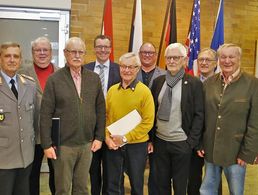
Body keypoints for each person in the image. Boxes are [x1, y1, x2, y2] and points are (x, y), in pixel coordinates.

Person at [40, 37, 106, 195]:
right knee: (62, 188)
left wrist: (99, 137)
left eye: (80, 52)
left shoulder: (94, 78)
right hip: (63, 146)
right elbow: (45, 113)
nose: (77, 55)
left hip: (86, 144)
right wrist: (47, 144)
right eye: (73, 51)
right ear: (65, 53)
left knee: (82, 188)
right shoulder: (54, 80)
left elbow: (101, 109)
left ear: (85, 54)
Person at [199, 43, 258, 195]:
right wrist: (200, 143)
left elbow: (255, 122)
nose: (227, 61)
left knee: (236, 191)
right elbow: (202, 117)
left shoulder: (253, 84)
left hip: (236, 152)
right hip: (210, 148)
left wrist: (247, 153)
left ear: (239, 59)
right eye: (223, 57)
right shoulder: (209, 83)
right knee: (207, 190)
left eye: (231, 57)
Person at [151, 43, 204, 195]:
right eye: (169, 57)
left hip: (182, 143)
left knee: (181, 185)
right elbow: (153, 111)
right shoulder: (159, 81)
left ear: (184, 60)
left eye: (176, 57)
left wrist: (190, 143)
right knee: (161, 184)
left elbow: (199, 115)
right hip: (160, 142)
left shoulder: (194, 84)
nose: (172, 61)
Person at [104, 52, 155, 195]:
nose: (127, 70)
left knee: (136, 185)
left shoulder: (145, 92)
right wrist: (106, 137)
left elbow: (148, 122)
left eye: (131, 67)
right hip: (113, 145)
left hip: (136, 147)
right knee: (113, 185)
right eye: (124, 66)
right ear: (119, 68)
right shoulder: (112, 90)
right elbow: (106, 117)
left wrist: (125, 138)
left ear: (137, 69)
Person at [18, 36, 57, 195]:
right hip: (31, 134)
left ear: (51, 52)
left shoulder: (62, 72)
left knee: (56, 175)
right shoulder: (21, 73)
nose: (41, 53)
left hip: (55, 134)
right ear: (32, 52)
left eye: (45, 50)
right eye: (37, 50)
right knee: (31, 175)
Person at [84, 35, 120, 195]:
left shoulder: (119, 70)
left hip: (113, 128)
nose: (103, 50)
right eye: (99, 46)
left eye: (106, 47)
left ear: (111, 49)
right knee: (93, 169)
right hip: (92, 127)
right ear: (94, 49)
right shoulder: (85, 69)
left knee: (111, 170)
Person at [0, 42, 37, 195]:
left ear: (21, 60)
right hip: (3, 159)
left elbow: (34, 119)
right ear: (0, 59)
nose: (12, 60)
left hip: (25, 157)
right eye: (7, 56)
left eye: (16, 56)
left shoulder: (29, 85)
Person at [187, 48, 220, 195]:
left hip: (214, 140)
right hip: (194, 140)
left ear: (215, 63)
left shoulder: (222, 83)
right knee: (193, 178)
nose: (204, 63)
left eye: (208, 60)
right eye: (201, 60)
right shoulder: (191, 82)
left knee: (213, 180)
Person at [137, 42, 165, 195]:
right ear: (139, 54)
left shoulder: (166, 75)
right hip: (134, 127)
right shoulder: (130, 72)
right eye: (144, 52)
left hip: (157, 128)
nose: (147, 55)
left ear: (155, 56)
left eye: (150, 53)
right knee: (134, 169)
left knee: (156, 169)